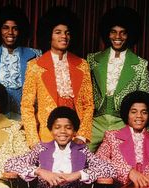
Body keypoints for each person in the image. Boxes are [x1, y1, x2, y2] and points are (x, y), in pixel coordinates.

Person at [21, 6, 94, 148]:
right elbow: (26, 106)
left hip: (75, 134)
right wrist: (34, 141)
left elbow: (88, 104)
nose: (64, 36)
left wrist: (82, 135)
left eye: (67, 33)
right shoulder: (35, 66)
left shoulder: (82, 65)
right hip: (47, 135)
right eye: (58, 32)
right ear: (49, 35)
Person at [87, 7, 149, 152]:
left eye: (123, 33)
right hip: (94, 122)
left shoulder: (140, 64)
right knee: (79, 158)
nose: (118, 37)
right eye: (113, 32)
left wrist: (146, 137)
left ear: (130, 35)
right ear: (107, 33)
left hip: (122, 124)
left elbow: (145, 102)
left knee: (120, 165)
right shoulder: (91, 59)